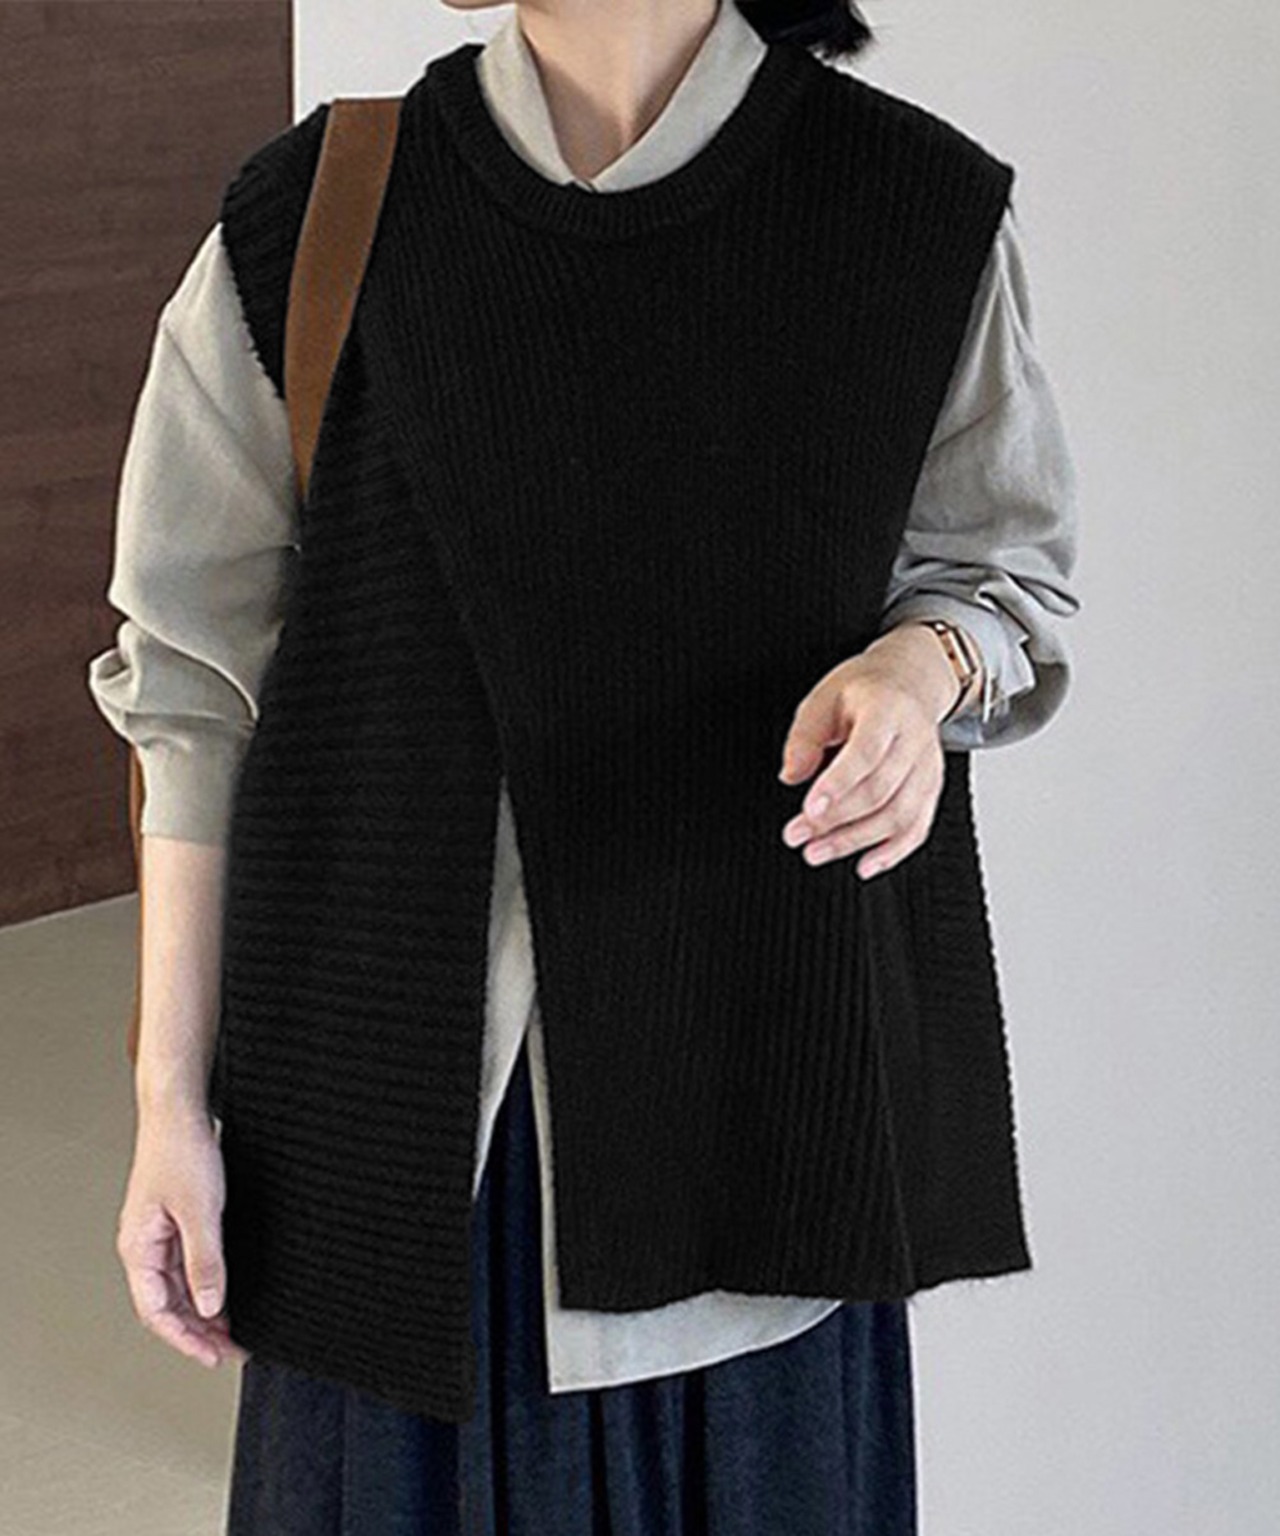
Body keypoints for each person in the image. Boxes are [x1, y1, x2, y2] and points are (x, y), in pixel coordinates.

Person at [89, 1, 1079, 1530]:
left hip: (755, 1135)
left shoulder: (906, 207)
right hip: (387, 1151)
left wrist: (918, 672)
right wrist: (170, 1105)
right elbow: (190, 691)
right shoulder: (321, 214)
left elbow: (996, 571)